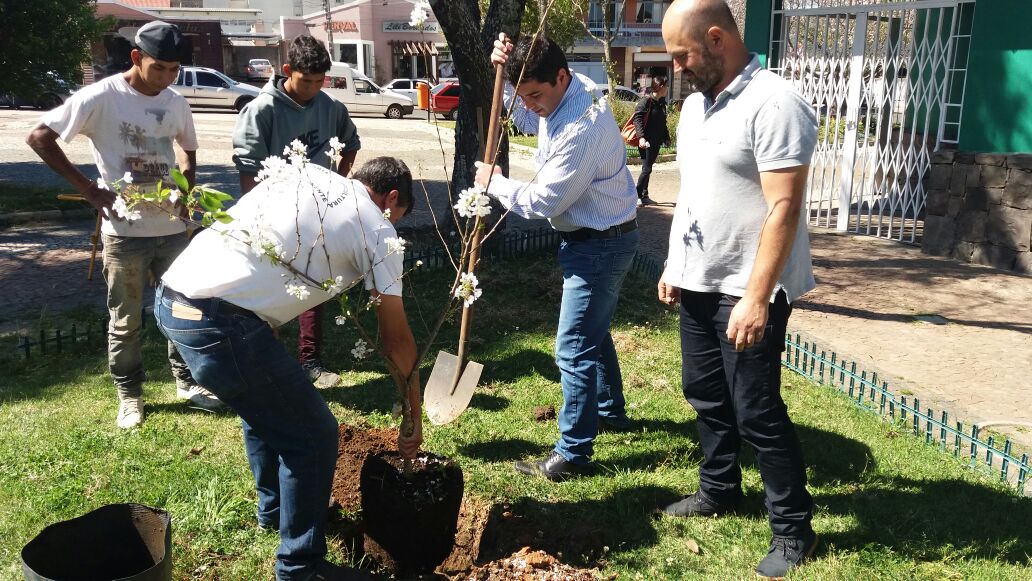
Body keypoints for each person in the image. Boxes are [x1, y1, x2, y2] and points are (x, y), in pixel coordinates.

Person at [155, 157, 423, 581]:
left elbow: (263, 249)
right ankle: (301, 567)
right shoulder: (377, 229)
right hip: (221, 326)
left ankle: (277, 511)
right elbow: (395, 336)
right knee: (314, 437)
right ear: (391, 198)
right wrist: (414, 412)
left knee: (264, 407)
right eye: (400, 215)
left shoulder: (305, 174)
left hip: (174, 301)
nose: (395, 223)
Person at [657, 1, 819, 578]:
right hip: (700, 279)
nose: (677, 68)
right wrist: (676, 265)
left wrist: (756, 297)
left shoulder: (775, 103)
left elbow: (784, 206)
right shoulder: (700, 104)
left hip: (748, 286)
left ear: (718, 39)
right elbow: (697, 192)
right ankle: (719, 488)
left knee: (756, 410)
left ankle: (793, 529)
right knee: (703, 393)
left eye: (683, 55)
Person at [26, 21, 223, 429]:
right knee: (126, 319)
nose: (167, 79)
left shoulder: (175, 102)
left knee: (183, 311)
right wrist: (88, 189)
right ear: (136, 57)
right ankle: (130, 395)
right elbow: (39, 136)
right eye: (160, 68)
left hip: (171, 231)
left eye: (175, 71)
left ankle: (187, 383)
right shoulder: (101, 97)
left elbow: (187, 152)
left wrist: (187, 190)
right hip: (124, 236)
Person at [474, 33, 639, 481]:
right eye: (522, 95)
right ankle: (609, 411)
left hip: (601, 242)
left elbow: (546, 202)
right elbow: (527, 113)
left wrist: (494, 182)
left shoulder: (581, 127)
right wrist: (502, 70)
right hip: (597, 236)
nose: (528, 105)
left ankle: (573, 453)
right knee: (593, 331)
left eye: (535, 95)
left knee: (573, 348)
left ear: (561, 77)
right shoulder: (565, 91)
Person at [233, 35, 361, 389]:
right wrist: (257, 219)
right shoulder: (262, 110)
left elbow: (351, 144)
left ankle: (309, 362)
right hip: (269, 217)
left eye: (320, 81)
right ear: (287, 71)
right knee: (264, 290)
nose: (313, 88)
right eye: (307, 81)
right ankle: (266, 362)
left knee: (312, 285)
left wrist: (334, 184)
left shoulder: (330, 107)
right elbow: (247, 168)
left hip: (313, 216)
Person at [631, 76, 671, 206]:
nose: (667, 89)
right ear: (660, 87)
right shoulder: (646, 101)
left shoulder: (661, 103)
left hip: (656, 141)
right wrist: (641, 137)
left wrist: (666, 137)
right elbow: (637, 120)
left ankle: (644, 195)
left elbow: (662, 123)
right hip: (646, 142)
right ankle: (637, 195)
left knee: (648, 168)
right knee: (647, 169)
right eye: (666, 86)